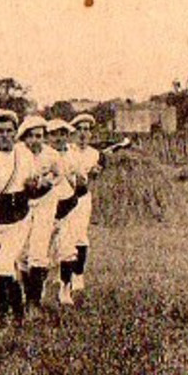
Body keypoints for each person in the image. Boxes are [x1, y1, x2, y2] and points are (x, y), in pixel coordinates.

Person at [0, 110, 35, 327]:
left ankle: (2, 317)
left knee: (4, 266)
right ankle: (19, 313)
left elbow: (32, 184)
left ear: (15, 133)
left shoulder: (24, 155)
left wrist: (34, 185)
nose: (5, 135)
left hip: (18, 218)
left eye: (9, 131)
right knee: (1, 268)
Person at [18, 115, 60, 313]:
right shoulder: (18, 153)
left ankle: (34, 302)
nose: (35, 140)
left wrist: (49, 181)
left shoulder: (51, 155)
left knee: (38, 252)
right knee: (22, 253)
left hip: (44, 204)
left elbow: (60, 174)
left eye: (39, 136)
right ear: (24, 137)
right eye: (31, 136)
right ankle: (27, 295)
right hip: (23, 205)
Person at [66, 113, 105, 296]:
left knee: (80, 235)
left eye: (87, 130)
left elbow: (94, 176)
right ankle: (61, 275)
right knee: (63, 235)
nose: (83, 133)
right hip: (64, 197)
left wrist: (94, 174)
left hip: (82, 198)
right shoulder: (67, 150)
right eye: (79, 129)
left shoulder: (94, 154)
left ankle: (78, 275)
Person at [46, 119, 81, 306]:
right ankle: (38, 289)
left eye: (62, 134)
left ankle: (65, 289)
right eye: (54, 134)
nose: (58, 138)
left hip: (67, 207)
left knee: (67, 250)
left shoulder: (72, 156)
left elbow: (80, 180)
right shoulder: (41, 156)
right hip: (45, 210)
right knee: (41, 253)